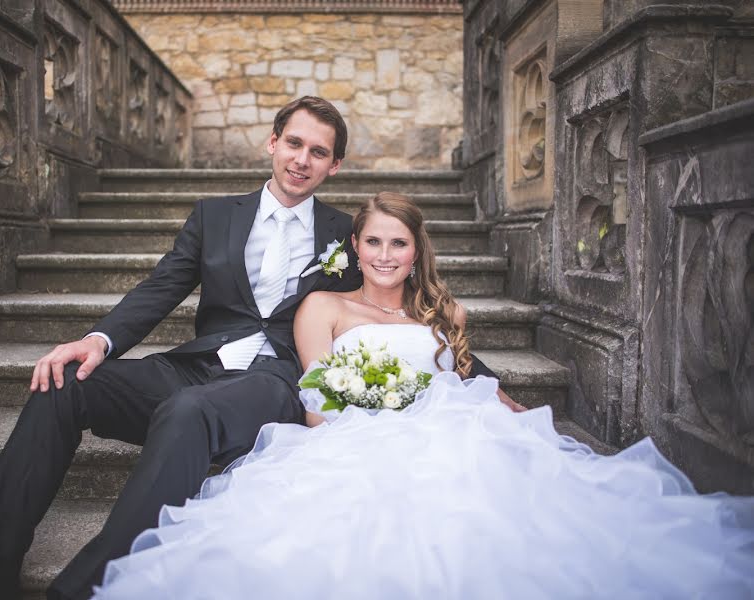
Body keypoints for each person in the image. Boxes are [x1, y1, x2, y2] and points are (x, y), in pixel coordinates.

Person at [91, 192, 754, 600]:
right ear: (355, 245)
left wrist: (498, 402)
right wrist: (371, 429)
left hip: (452, 430)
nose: (384, 254)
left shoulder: (447, 312)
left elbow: (458, 379)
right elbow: (317, 399)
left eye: (398, 243)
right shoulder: (322, 306)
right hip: (349, 438)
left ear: (415, 251)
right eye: (372, 241)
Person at [0, 96, 365, 600]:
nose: (301, 160)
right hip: (198, 366)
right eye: (293, 143)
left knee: (188, 410)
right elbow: (161, 288)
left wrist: (457, 367)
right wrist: (97, 340)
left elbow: (391, 304)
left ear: (334, 166)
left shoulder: (346, 235)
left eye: (317, 151)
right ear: (272, 142)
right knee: (65, 384)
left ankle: (94, 585)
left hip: (275, 382)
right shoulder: (215, 216)